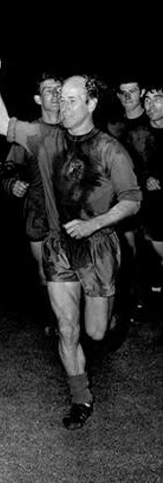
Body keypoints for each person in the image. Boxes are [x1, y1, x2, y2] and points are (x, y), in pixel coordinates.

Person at [0, 68, 141, 429]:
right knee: (67, 328)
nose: (63, 105)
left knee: (96, 332)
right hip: (58, 245)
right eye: (61, 98)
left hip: (98, 246)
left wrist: (94, 223)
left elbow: (132, 200)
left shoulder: (110, 148)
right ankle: (80, 397)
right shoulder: (45, 138)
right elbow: (0, 123)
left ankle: (114, 309)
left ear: (90, 104)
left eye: (72, 99)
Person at [1, 71, 62, 336]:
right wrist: (11, 183)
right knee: (45, 272)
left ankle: (72, 318)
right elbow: (7, 168)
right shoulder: (30, 132)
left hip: (74, 213)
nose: (56, 94)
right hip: (38, 212)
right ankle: (55, 317)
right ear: (38, 98)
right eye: (49, 90)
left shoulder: (77, 127)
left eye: (59, 88)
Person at [106, 76, 150, 323]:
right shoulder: (113, 125)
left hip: (155, 196)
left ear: (141, 91)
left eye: (132, 91)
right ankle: (134, 299)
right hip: (126, 196)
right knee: (129, 249)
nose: (128, 97)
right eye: (123, 92)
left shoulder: (153, 119)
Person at [125, 80, 163, 302]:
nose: (150, 105)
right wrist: (144, 178)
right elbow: (128, 168)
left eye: (157, 99)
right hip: (154, 211)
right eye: (147, 100)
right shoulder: (136, 134)